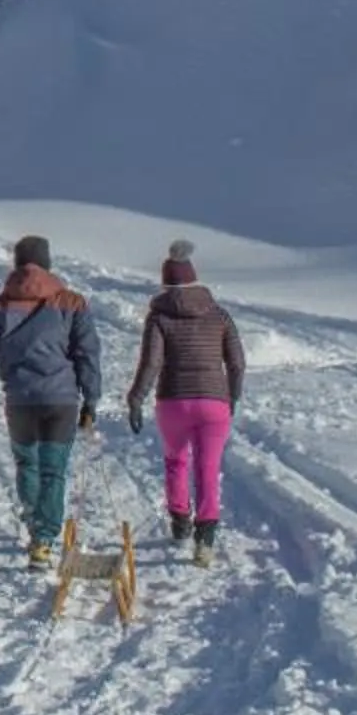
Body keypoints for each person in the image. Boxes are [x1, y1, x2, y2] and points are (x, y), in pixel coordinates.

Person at [0, 233, 101, 568]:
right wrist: (91, 399)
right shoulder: (72, 303)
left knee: (28, 464)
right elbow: (87, 354)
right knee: (54, 471)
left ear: (17, 263)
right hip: (62, 400)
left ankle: (33, 524)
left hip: (20, 400)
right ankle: (44, 541)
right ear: (48, 263)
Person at [125, 237, 244, 567]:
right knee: (208, 467)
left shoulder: (159, 318)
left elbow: (151, 363)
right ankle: (204, 540)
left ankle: (180, 523)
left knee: (176, 461)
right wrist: (231, 395)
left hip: (173, 401)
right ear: (195, 279)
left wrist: (136, 399)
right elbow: (236, 363)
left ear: (166, 283)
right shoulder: (220, 315)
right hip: (214, 403)